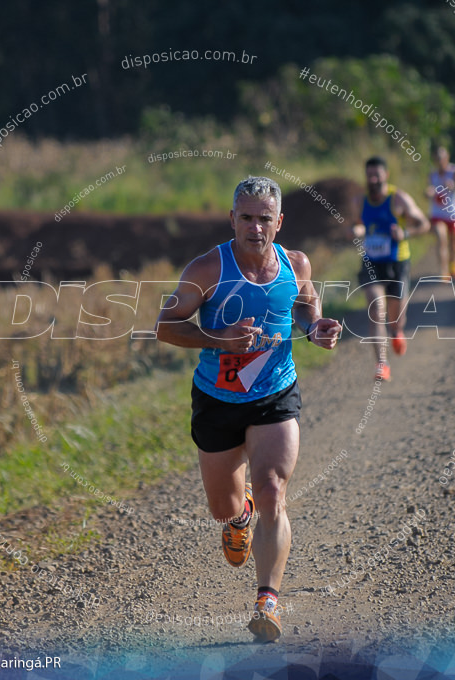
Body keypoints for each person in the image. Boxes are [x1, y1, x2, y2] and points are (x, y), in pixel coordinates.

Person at [155, 176, 342, 642]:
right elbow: (165, 326)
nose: (255, 227)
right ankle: (240, 517)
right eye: (246, 217)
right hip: (218, 399)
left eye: (264, 219)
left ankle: (268, 602)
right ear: (232, 219)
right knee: (224, 506)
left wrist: (316, 325)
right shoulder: (207, 269)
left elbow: (306, 304)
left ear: (279, 222)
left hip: (276, 392)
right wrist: (220, 338)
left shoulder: (295, 263)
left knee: (275, 490)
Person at [352, 157, 431, 382]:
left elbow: (424, 223)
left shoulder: (398, 199)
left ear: (386, 175)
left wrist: (405, 234)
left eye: (377, 175)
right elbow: (357, 223)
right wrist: (356, 230)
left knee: (396, 317)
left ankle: (397, 331)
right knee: (376, 309)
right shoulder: (360, 201)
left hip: (397, 262)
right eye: (370, 175)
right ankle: (382, 364)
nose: (373, 180)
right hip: (371, 263)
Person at [426, 146, 455, 279]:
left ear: (447, 158)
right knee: (441, 239)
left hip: (453, 215)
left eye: (441, 158)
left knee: (453, 243)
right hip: (437, 215)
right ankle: (443, 270)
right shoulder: (432, 174)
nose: (439, 161)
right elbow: (429, 190)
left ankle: (453, 262)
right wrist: (428, 193)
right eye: (437, 158)